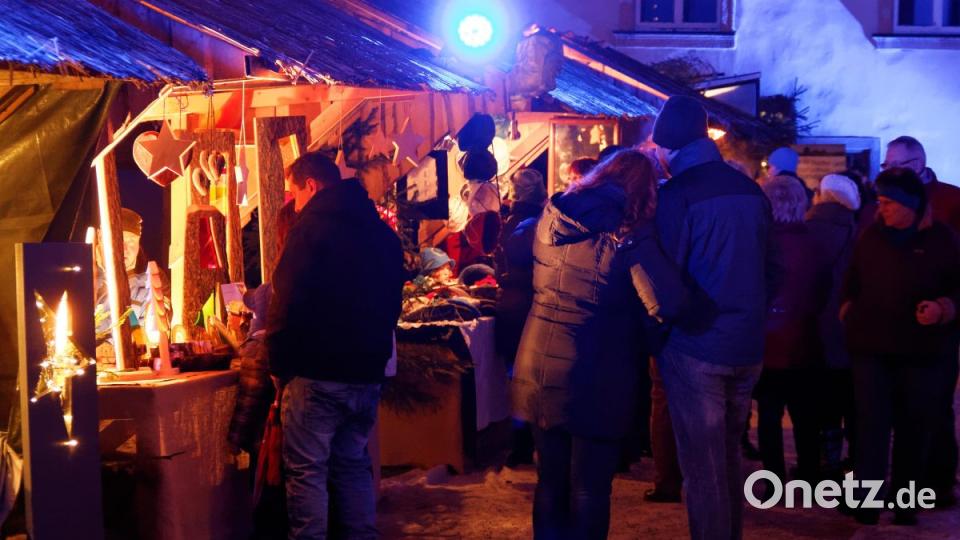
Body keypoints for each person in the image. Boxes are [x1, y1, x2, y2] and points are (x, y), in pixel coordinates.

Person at [513, 150, 691, 539]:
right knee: (589, 485)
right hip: (597, 370)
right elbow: (667, 303)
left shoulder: (553, 216)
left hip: (538, 363)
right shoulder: (627, 233)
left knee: (550, 481)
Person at [653, 95, 780, 540]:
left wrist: (660, 337)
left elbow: (665, 279)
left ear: (668, 147)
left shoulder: (677, 195)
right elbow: (772, 268)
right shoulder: (749, 190)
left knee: (704, 472)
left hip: (696, 348)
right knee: (727, 462)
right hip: (746, 345)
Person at [267, 152, 405, 539]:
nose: (293, 203)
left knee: (308, 471)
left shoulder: (310, 229)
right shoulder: (380, 232)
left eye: (294, 193)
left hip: (317, 372)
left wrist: (278, 364)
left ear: (310, 186)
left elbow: (286, 300)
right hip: (365, 371)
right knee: (353, 464)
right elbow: (392, 301)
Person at [841, 167, 960, 526]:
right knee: (871, 428)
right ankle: (867, 502)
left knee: (913, 428)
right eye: (880, 201)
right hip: (871, 350)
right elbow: (852, 279)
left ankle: (906, 502)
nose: (883, 208)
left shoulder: (942, 240)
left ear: (911, 205)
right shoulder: (872, 236)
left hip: (921, 352)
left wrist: (942, 308)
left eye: (890, 202)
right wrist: (848, 308)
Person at [883, 136, 960, 505]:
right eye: (887, 167)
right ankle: (909, 481)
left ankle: (940, 480)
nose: (892, 173)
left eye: (897, 166)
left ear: (919, 163)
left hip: (938, 318)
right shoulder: (886, 201)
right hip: (895, 319)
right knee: (902, 404)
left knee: (938, 400)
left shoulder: (950, 200)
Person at [755, 175, 828, 487]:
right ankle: (810, 474)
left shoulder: (759, 242)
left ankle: (772, 477)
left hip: (767, 341)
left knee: (769, 415)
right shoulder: (814, 243)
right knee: (806, 415)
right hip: (804, 340)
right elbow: (822, 291)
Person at [805, 173, 861, 479]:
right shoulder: (859, 233)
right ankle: (856, 463)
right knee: (851, 400)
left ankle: (827, 462)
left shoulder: (807, 230)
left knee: (820, 402)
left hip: (813, 329)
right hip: (848, 327)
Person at [495, 168, 547, 467]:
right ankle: (530, 441)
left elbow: (512, 264)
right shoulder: (541, 221)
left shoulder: (518, 223)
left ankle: (523, 444)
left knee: (519, 377)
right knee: (534, 378)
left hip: (517, 308)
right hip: (533, 306)